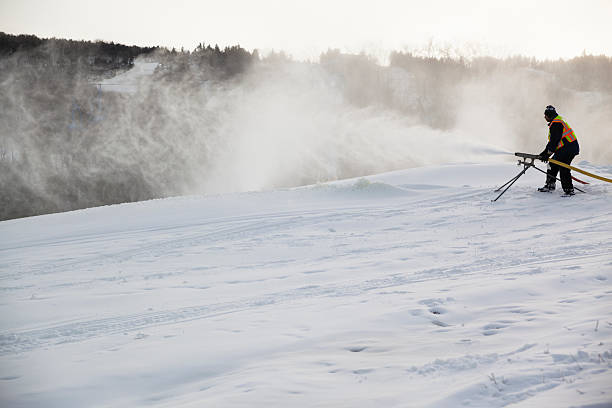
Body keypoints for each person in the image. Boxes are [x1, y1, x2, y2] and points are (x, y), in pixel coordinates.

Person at [538, 105, 580, 195]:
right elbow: (552, 142)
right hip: (565, 149)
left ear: (548, 115)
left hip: (568, 149)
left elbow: (554, 141)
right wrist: (544, 153)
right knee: (552, 164)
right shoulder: (556, 121)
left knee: (563, 167)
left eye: (545, 115)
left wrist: (547, 154)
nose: (544, 117)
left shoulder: (556, 123)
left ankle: (569, 190)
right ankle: (550, 185)